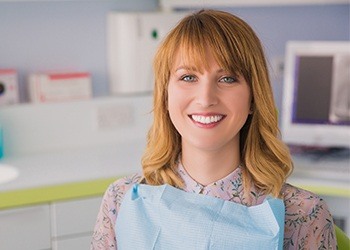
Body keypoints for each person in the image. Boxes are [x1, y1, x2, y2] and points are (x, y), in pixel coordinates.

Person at [91, 9, 337, 249]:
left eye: (227, 78)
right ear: (165, 95)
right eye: (188, 77)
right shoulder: (121, 200)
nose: (206, 98)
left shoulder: (302, 214)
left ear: (253, 98)